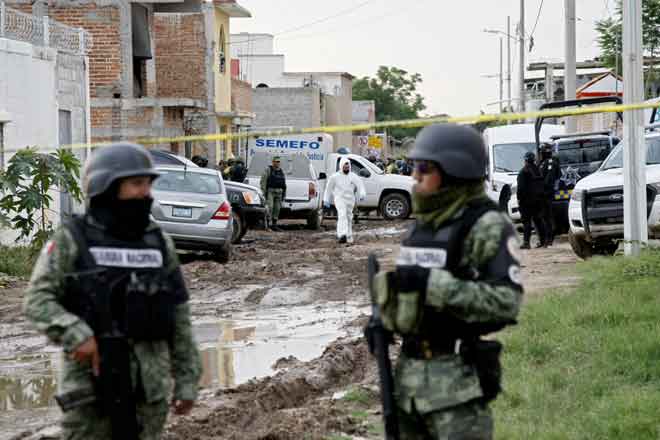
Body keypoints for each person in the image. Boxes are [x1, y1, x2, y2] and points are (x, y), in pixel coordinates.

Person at [24, 143, 202, 440]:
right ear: (107, 186)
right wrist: (75, 332)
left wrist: (187, 379)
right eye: (137, 184)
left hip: (149, 391)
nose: (146, 193)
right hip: (90, 391)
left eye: (148, 184)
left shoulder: (158, 243)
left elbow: (179, 315)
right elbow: (37, 300)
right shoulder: (73, 239)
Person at [367, 124, 523, 439]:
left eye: (424, 168)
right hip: (408, 386)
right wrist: (384, 321)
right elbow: (413, 297)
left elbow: (506, 302)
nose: (414, 177)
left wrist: (433, 285)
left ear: (454, 172)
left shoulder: (486, 226)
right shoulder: (423, 227)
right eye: (414, 167)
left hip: (456, 388)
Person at [323, 156, 366, 244]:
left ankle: (349, 236)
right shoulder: (334, 177)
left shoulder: (353, 176)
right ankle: (342, 234)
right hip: (340, 199)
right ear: (341, 166)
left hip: (350, 200)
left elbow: (360, 185)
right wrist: (326, 200)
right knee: (342, 215)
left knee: (349, 217)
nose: (346, 168)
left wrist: (362, 194)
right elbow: (328, 189)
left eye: (348, 166)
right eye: (345, 166)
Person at [517, 151, 547, 249]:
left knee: (526, 222)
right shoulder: (538, 170)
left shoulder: (523, 172)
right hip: (538, 200)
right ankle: (543, 241)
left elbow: (520, 189)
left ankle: (526, 243)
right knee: (538, 220)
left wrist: (519, 199)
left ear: (525, 160)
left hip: (526, 202)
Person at [538, 142, 561, 246]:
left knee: (546, 216)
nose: (540, 154)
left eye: (541, 152)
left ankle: (549, 238)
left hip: (546, 194)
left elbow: (549, 179)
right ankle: (547, 238)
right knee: (544, 216)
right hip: (543, 193)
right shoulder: (543, 162)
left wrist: (542, 189)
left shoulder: (550, 163)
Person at [260, 156, 287, 231]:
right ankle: (267, 225)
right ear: (273, 162)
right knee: (270, 207)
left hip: (279, 192)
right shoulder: (268, 170)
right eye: (276, 161)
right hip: (271, 191)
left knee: (277, 209)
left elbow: (284, 183)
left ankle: (274, 225)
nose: (278, 163)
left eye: (279, 162)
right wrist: (263, 192)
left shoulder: (281, 171)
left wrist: (284, 193)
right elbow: (263, 181)